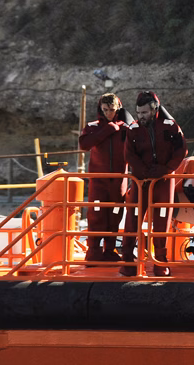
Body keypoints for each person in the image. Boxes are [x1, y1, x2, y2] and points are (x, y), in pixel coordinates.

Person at [121, 91, 187, 278]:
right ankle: (127, 261)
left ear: (154, 110)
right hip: (140, 181)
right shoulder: (133, 129)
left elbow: (181, 149)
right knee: (132, 219)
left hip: (163, 181)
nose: (140, 117)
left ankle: (160, 262)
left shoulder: (171, 127)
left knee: (161, 222)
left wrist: (165, 169)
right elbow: (129, 155)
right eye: (138, 113)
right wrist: (144, 171)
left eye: (144, 113)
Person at [78, 92, 132, 262]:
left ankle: (110, 249)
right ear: (100, 109)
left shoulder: (126, 128)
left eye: (112, 109)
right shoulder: (93, 126)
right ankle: (93, 250)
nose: (109, 113)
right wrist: (107, 130)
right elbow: (84, 145)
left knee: (116, 213)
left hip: (119, 180)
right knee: (96, 213)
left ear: (118, 109)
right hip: (98, 180)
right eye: (105, 109)